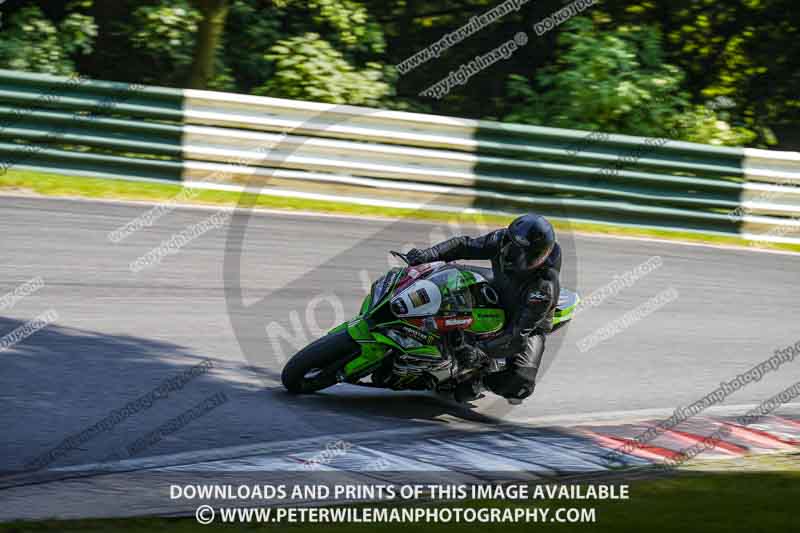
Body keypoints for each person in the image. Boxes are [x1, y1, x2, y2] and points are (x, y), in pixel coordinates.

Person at [405, 214, 561, 404]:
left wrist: (480, 351)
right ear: (509, 241)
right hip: (500, 285)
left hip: (526, 317)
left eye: (535, 256)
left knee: (520, 385)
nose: (525, 259)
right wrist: (427, 255)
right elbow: (464, 245)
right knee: (447, 277)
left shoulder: (543, 286)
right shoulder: (501, 239)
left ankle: (480, 382)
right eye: (517, 251)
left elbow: (517, 336)